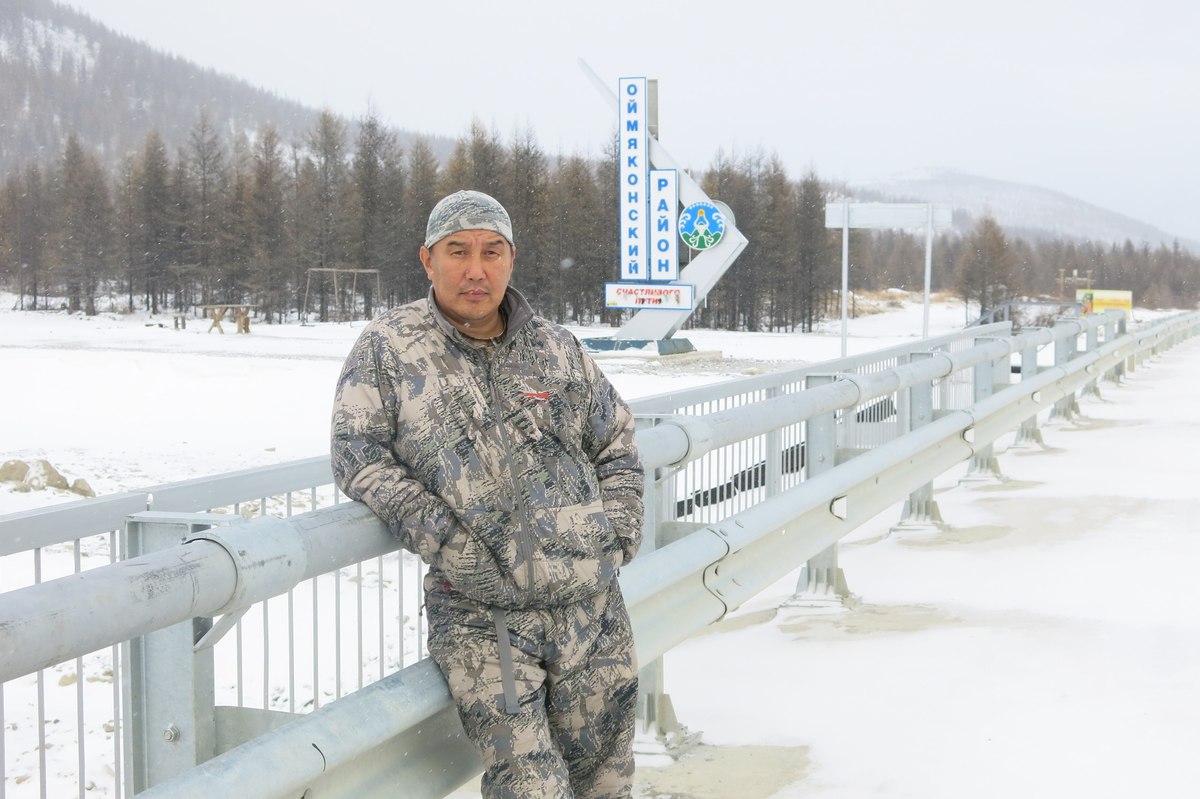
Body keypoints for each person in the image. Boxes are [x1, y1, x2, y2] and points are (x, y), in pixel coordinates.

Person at [330, 189, 644, 798]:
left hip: (593, 610)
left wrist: (619, 536)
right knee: (532, 787)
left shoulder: (558, 349)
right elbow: (357, 455)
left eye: (491, 252)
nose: (476, 269)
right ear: (428, 260)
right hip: (483, 616)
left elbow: (617, 444)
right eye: (458, 251)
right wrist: (448, 542)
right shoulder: (389, 348)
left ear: (511, 259)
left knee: (607, 784)